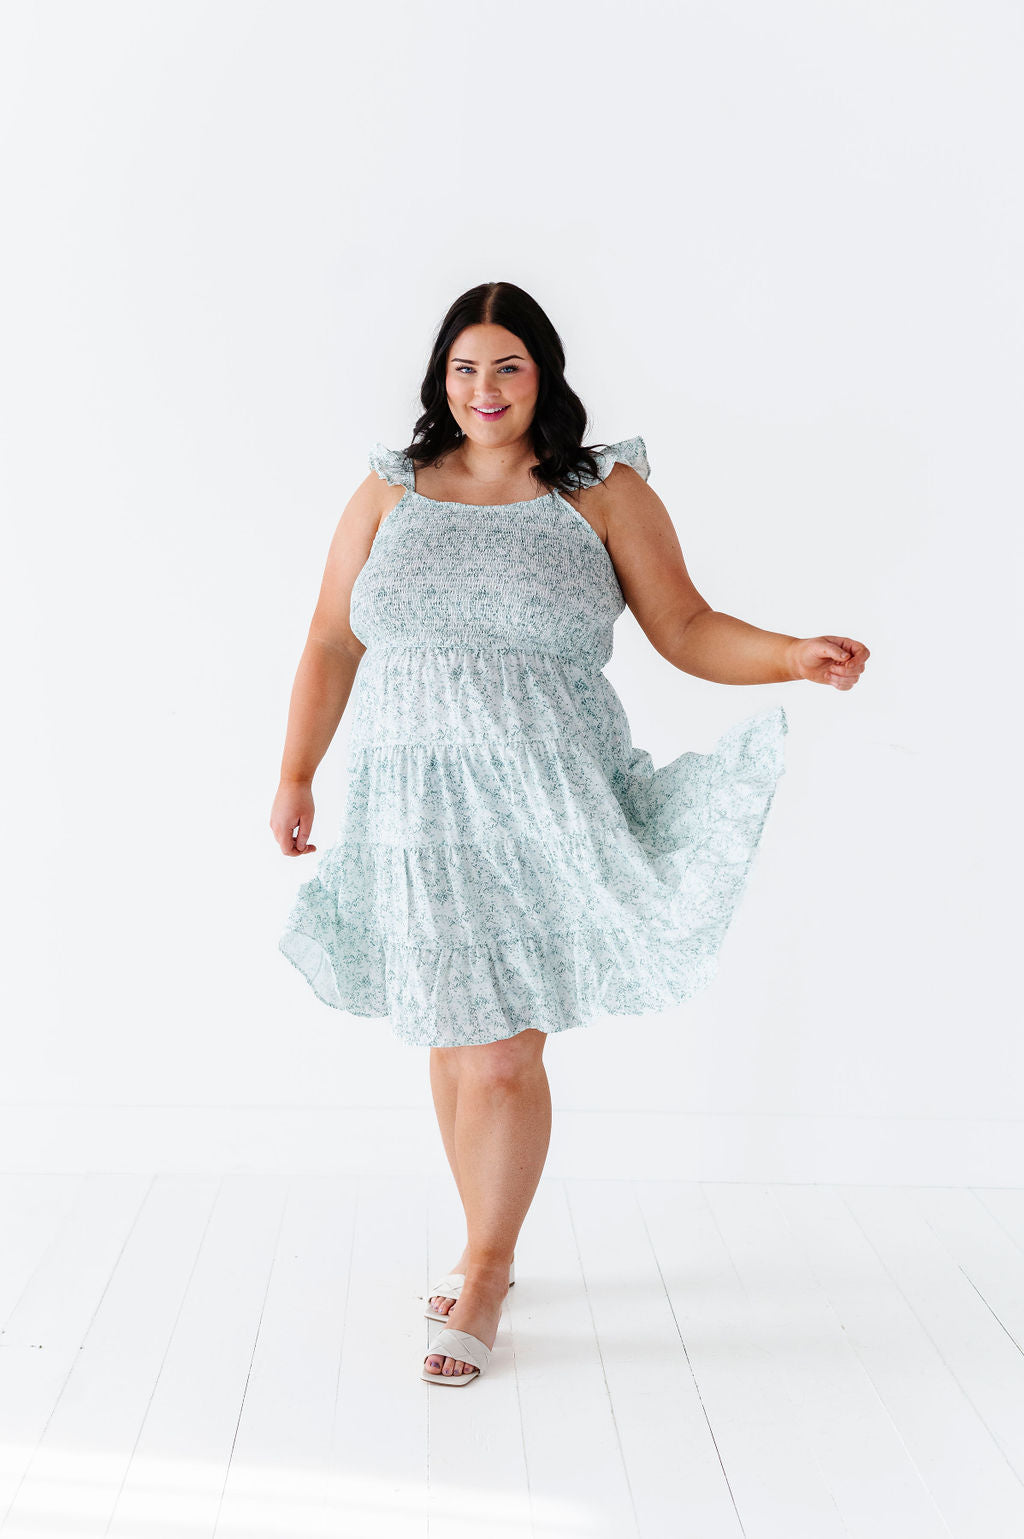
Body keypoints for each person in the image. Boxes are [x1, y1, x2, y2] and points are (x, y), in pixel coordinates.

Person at [269, 280, 870, 1388]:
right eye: (464, 368)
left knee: (502, 1053)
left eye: (507, 366)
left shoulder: (598, 490)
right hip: (416, 812)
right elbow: (331, 640)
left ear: (542, 373)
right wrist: (296, 770)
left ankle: (488, 1270)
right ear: (439, 379)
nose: (484, 389)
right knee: (455, 1038)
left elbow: (684, 624)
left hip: (543, 805)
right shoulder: (390, 490)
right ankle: (477, 1242)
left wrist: (788, 654)